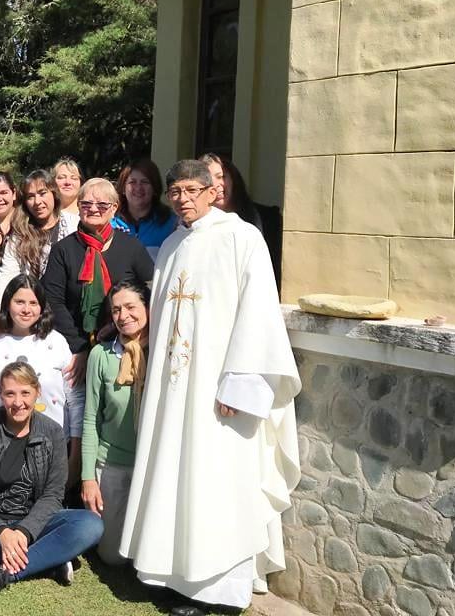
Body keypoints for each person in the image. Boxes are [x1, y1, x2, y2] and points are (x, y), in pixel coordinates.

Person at [119, 160, 301, 615]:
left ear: (211, 190)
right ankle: (166, 571)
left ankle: (216, 587)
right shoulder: (175, 244)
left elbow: (257, 315)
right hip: (173, 387)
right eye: (174, 191)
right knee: (172, 473)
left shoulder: (241, 238)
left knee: (215, 478)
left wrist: (240, 385)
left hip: (219, 388)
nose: (180, 198)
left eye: (189, 190)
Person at [0, 361, 103, 603]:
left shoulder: (53, 432)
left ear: (37, 393)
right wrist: (2, 531)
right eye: (10, 394)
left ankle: (3, 573)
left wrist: (24, 531)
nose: (18, 402)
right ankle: (48, 560)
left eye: (25, 393)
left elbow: (53, 494)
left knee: (91, 524)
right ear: (0, 395)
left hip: (36, 522)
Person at [0, 275, 82, 485]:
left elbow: (75, 399)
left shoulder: (56, 342)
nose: (26, 309)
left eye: (33, 303)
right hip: (3, 445)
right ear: (8, 303)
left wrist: (75, 451)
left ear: (42, 307)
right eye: (19, 302)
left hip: (52, 444)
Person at [42, 177, 154, 385]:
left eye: (102, 204)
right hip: (74, 348)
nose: (93, 209)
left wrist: (117, 325)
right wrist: (81, 347)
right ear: (78, 206)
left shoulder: (131, 247)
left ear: (114, 208)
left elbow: (149, 290)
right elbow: (53, 301)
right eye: (86, 204)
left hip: (124, 342)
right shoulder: (63, 250)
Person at [81, 280, 150, 566]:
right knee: (112, 557)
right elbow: (90, 418)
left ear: (148, 308)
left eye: (131, 307)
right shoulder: (101, 355)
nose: (123, 316)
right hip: (112, 462)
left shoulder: (164, 355)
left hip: (151, 465)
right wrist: (87, 478)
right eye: (116, 310)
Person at [0, 169, 78, 312]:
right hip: (33, 308)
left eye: (43, 193)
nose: (37, 202)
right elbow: (8, 274)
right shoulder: (20, 233)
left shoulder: (73, 224)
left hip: (69, 307)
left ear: (54, 194)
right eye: (30, 196)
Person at [199, 153, 283, 284]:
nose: (215, 185)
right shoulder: (195, 226)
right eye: (207, 180)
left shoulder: (268, 219)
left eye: (221, 176)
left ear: (234, 179)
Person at [113, 158, 178, 261]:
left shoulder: (172, 223)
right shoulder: (110, 222)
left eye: (145, 182)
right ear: (123, 188)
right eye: (132, 182)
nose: (138, 188)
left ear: (155, 188)